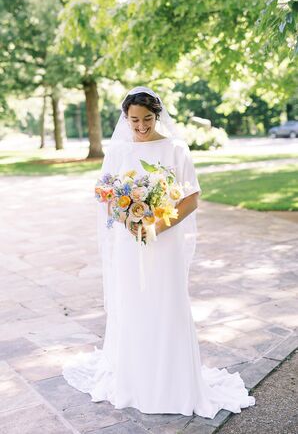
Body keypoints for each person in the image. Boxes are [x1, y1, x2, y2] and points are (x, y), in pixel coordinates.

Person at [62, 86, 255, 418]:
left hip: (163, 242)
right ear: (125, 119)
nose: (140, 126)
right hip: (128, 242)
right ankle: (135, 382)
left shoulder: (175, 149)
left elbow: (191, 198)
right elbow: (106, 193)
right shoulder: (119, 151)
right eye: (134, 120)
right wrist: (126, 219)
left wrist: (154, 227)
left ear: (158, 116)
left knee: (167, 303)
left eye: (147, 119)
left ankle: (174, 384)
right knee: (133, 304)